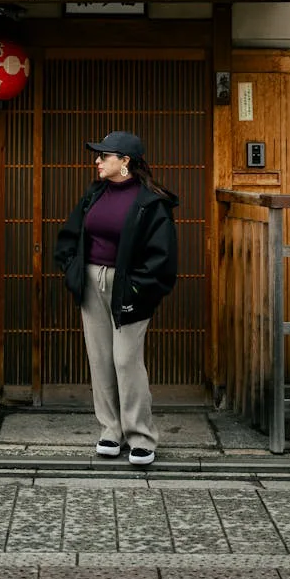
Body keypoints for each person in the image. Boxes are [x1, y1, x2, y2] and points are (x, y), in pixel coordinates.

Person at [53, 131, 178, 465]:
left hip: (130, 287)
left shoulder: (151, 202)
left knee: (125, 359)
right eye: (98, 155)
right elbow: (71, 234)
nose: (97, 161)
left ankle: (141, 436)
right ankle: (111, 430)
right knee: (100, 358)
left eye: (104, 155)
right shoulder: (95, 193)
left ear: (125, 162)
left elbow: (162, 255)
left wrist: (139, 286)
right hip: (92, 282)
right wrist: (73, 269)